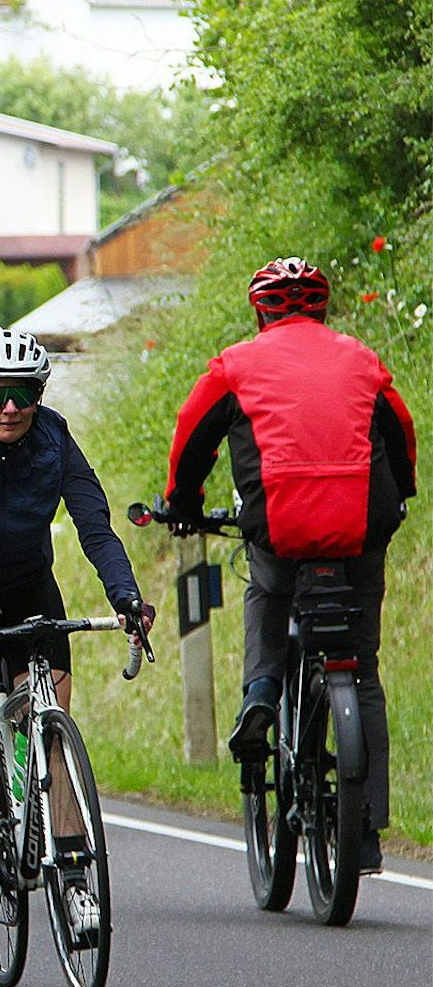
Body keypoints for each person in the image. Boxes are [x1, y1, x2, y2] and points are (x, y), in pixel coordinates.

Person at [164, 257, 415, 874]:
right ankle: (366, 831)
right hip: (361, 525)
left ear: (260, 313)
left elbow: (192, 435)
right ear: (324, 309)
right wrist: (401, 492)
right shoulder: (361, 359)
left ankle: (261, 692)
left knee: (269, 592)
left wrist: (183, 503)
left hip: (280, 525)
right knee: (363, 667)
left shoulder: (235, 365)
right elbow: (400, 430)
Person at [0, 328, 153, 903]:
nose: (10, 408)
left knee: (54, 725)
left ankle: (74, 879)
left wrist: (126, 596)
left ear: (39, 395)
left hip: (25, 580)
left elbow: (94, 526)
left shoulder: (54, 438)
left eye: (24, 394)